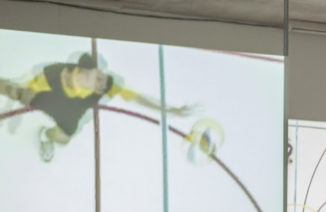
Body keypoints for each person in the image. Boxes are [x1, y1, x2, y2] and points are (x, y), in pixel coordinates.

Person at [1, 52, 196, 162]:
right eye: (97, 80)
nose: (103, 85)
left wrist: (170, 110)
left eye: (101, 80)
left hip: (72, 109)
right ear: (82, 73)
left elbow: (138, 99)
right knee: (13, 90)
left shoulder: (106, 85)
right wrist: (23, 99)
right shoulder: (52, 74)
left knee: (63, 138)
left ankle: (46, 135)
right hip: (50, 96)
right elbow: (26, 88)